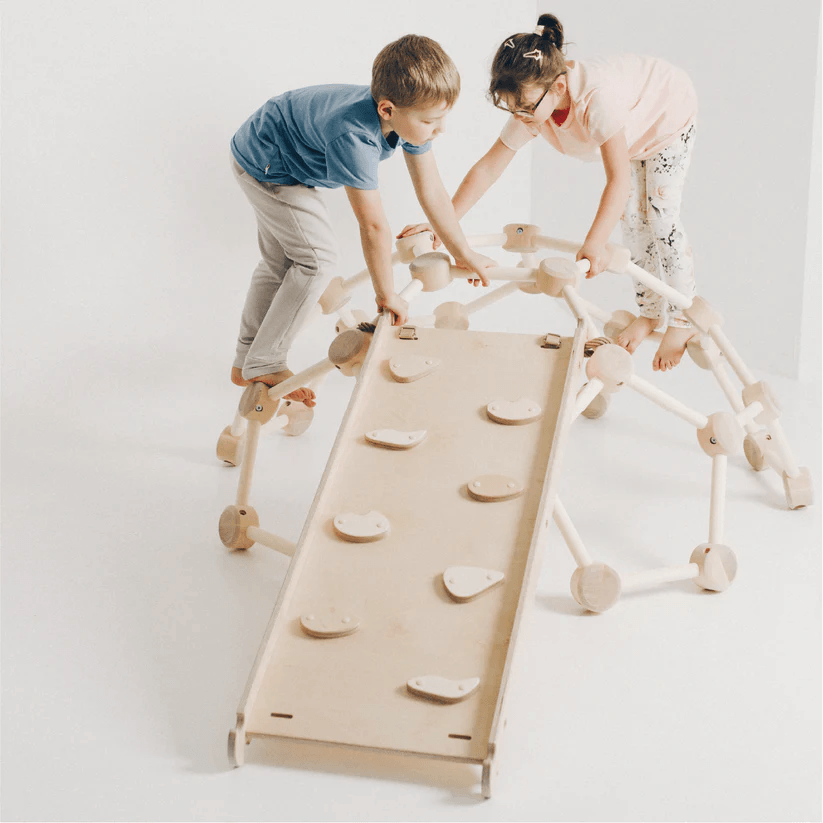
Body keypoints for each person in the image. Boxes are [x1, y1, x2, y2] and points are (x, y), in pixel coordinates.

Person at [399, 14, 698, 371]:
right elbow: (488, 168)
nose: (520, 116)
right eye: (511, 108)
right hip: (633, 132)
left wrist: (595, 242)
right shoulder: (532, 109)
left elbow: (617, 180)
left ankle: (684, 318)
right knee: (634, 221)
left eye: (525, 107)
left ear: (558, 87)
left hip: (666, 115)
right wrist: (442, 222)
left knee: (660, 217)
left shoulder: (596, 101)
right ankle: (650, 312)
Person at [228, 34, 496, 405]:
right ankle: (264, 361)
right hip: (268, 163)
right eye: (431, 121)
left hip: (269, 148)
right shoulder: (353, 135)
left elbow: (432, 192)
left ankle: (246, 361)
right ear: (387, 110)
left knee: (280, 263)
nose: (440, 129)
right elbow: (372, 225)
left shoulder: (408, 117)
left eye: (442, 118)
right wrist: (386, 295)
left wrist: (462, 251)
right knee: (316, 261)